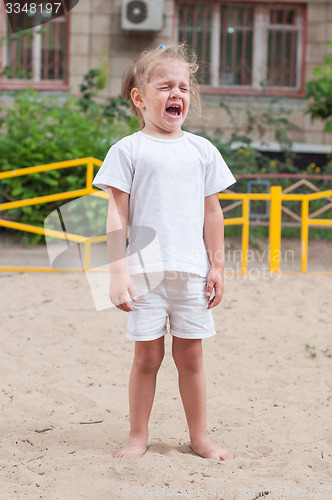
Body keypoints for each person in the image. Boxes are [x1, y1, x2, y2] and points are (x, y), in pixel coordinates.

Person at [92, 43, 236, 460]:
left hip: (192, 273)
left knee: (191, 358)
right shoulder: (128, 150)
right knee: (147, 357)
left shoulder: (202, 150)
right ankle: (138, 435)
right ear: (139, 97)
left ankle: (200, 437)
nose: (177, 94)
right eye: (165, 86)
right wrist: (117, 273)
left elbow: (213, 213)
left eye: (184, 87)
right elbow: (116, 215)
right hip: (145, 275)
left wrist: (218, 268)